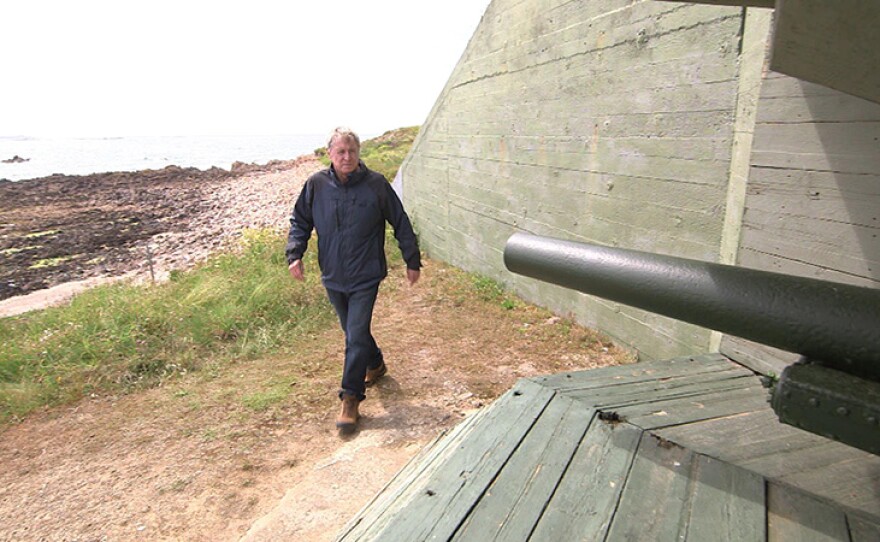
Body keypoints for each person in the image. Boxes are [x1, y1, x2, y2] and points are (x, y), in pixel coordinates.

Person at [286, 127, 421, 433]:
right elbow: (300, 221)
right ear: (330, 154)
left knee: (355, 334)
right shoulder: (316, 185)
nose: (347, 157)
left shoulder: (375, 185)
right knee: (354, 331)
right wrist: (295, 254)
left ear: (359, 154)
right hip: (333, 275)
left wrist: (411, 259)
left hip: (366, 274)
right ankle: (375, 364)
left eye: (352, 151)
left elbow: (400, 221)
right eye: (341, 152)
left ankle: (350, 398)